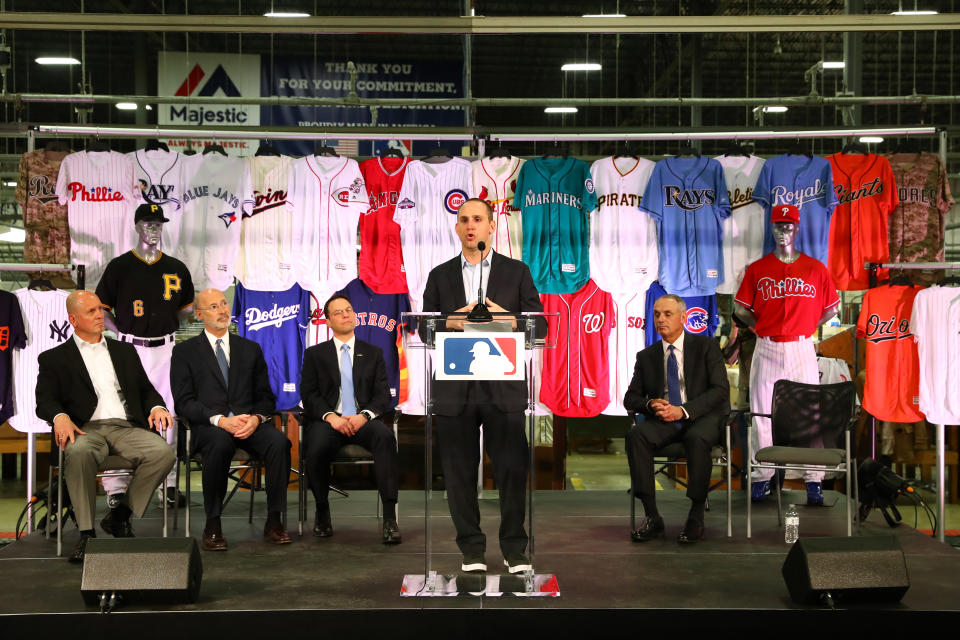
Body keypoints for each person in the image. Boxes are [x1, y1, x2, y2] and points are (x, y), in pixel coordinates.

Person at [420, 197, 544, 574]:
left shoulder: (516, 272)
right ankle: (471, 548)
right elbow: (423, 331)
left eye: (477, 219)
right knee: (458, 473)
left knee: (510, 470)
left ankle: (514, 548)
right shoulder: (439, 275)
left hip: (502, 385)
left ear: (492, 226)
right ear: (456, 228)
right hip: (455, 390)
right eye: (463, 220)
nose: (470, 225)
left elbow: (540, 328)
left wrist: (507, 319)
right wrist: (450, 322)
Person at [35, 290, 176, 563]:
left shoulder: (124, 351)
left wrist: (157, 406)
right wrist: (59, 416)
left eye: (100, 309)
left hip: (125, 427)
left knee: (163, 453)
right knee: (78, 452)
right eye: (91, 312)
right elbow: (45, 400)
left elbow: (146, 390)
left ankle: (120, 516)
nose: (100, 315)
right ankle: (87, 534)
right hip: (85, 428)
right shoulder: (54, 358)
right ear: (73, 320)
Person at [170, 288, 292, 551]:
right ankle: (213, 524)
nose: (223, 310)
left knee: (279, 444)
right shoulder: (184, 352)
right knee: (220, 444)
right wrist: (218, 420)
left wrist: (257, 419)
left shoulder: (250, 349)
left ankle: (274, 521)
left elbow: (265, 397)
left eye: (224, 304)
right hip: (208, 427)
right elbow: (184, 402)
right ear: (200, 314)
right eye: (214, 307)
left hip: (248, 423)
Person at [734, 204, 840, 506]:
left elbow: (831, 308)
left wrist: (808, 327)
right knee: (761, 412)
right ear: (772, 227)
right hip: (767, 346)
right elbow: (740, 308)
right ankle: (762, 478)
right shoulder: (757, 268)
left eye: (788, 225)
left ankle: (813, 482)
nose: (783, 230)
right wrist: (759, 327)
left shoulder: (816, 268)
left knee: (810, 414)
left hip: (801, 346)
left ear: (797, 228)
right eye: (778, 225)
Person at [97, 202, 194, 510]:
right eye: (148, 223)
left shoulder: (176, 267)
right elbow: (101, 308)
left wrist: (172, 322)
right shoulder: (120, 266)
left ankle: (167, 483)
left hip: (165, 348)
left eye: (158, 223)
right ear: (137, 226)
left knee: (168, 416)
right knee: (119, 414)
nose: (154, 228)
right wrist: (120, 333)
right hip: (128, 347)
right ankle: (115, 487)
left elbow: (188, 309)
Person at [624, 294, 730, 544]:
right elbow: (631, 398)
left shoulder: (706, 347)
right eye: (657, 314)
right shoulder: (647, 356)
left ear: (683, 318)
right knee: (636, 435)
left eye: (667, 314)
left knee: (697, 437)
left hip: (701, 416)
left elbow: (720, 391)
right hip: (665, 420)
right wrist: (650, 404)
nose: (660, 319)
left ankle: (695, 516)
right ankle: (652, 516)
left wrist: (683, 410)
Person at [300, 293, 401, 545]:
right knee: (315, 446)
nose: (346, 315)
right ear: (328, 321)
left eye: (348, 310)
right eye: (338, 312)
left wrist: (364, 416)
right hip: (329, 422)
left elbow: (382, 395)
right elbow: (309, 395)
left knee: (385, 438)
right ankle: (322, 510)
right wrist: (331, 417)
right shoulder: (315, 354)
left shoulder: (373, 353)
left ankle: (390, 517)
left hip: (363, 420)